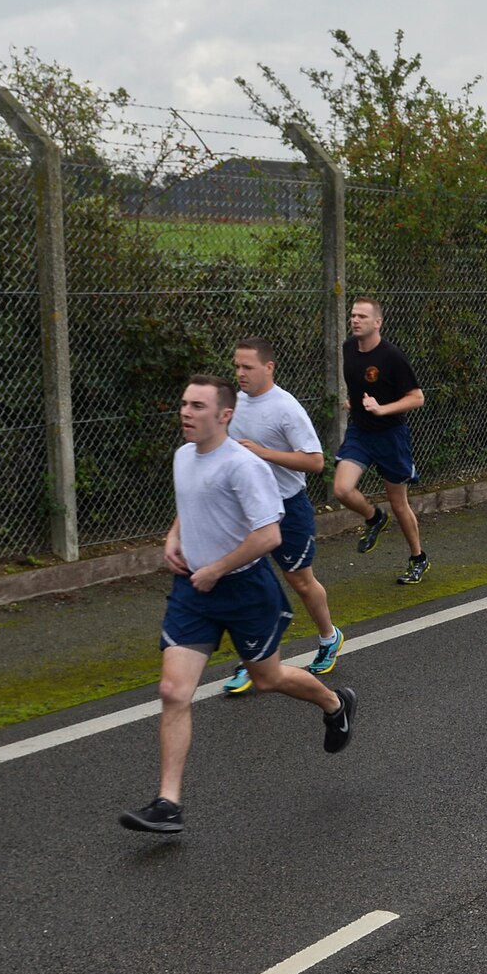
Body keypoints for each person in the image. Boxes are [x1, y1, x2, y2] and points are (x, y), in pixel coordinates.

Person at [120, 376, 355, 834]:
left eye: (197, 406)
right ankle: (168, 803)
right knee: (172, 691)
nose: (186, 412)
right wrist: (173, 537)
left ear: (224, 415)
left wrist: (218, 567)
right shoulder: (183, 456)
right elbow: (191, 502)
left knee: (267, 679)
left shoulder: (244, 466)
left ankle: (334, 703)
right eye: (184, 403)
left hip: (245, 589)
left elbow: (268, 534)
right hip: (194, 590)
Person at [224, 337, 343, 696]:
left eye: (247, 367)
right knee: (246, 584)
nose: (240, 373)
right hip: (250, 510)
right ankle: (253, 658)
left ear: (268, 367)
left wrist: (263, 453)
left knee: (301, 582)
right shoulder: (235, 403)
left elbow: (316, 461)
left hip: (289, 508)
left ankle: (329, 637)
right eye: (236, 366)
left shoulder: (286, 408)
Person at [333, 297, 430, 584]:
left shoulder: (392, 357)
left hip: (390, 435)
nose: (355, 320)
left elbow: (417, 397)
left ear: (378, 322)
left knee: (399, 502)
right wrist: (353, 402)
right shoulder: (348, 349)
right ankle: (374, 517)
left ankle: (418, 558)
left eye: (362, 316)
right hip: (360, 432)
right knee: (341, 489)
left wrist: (382, 409)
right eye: (353, 315)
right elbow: (359, 385)